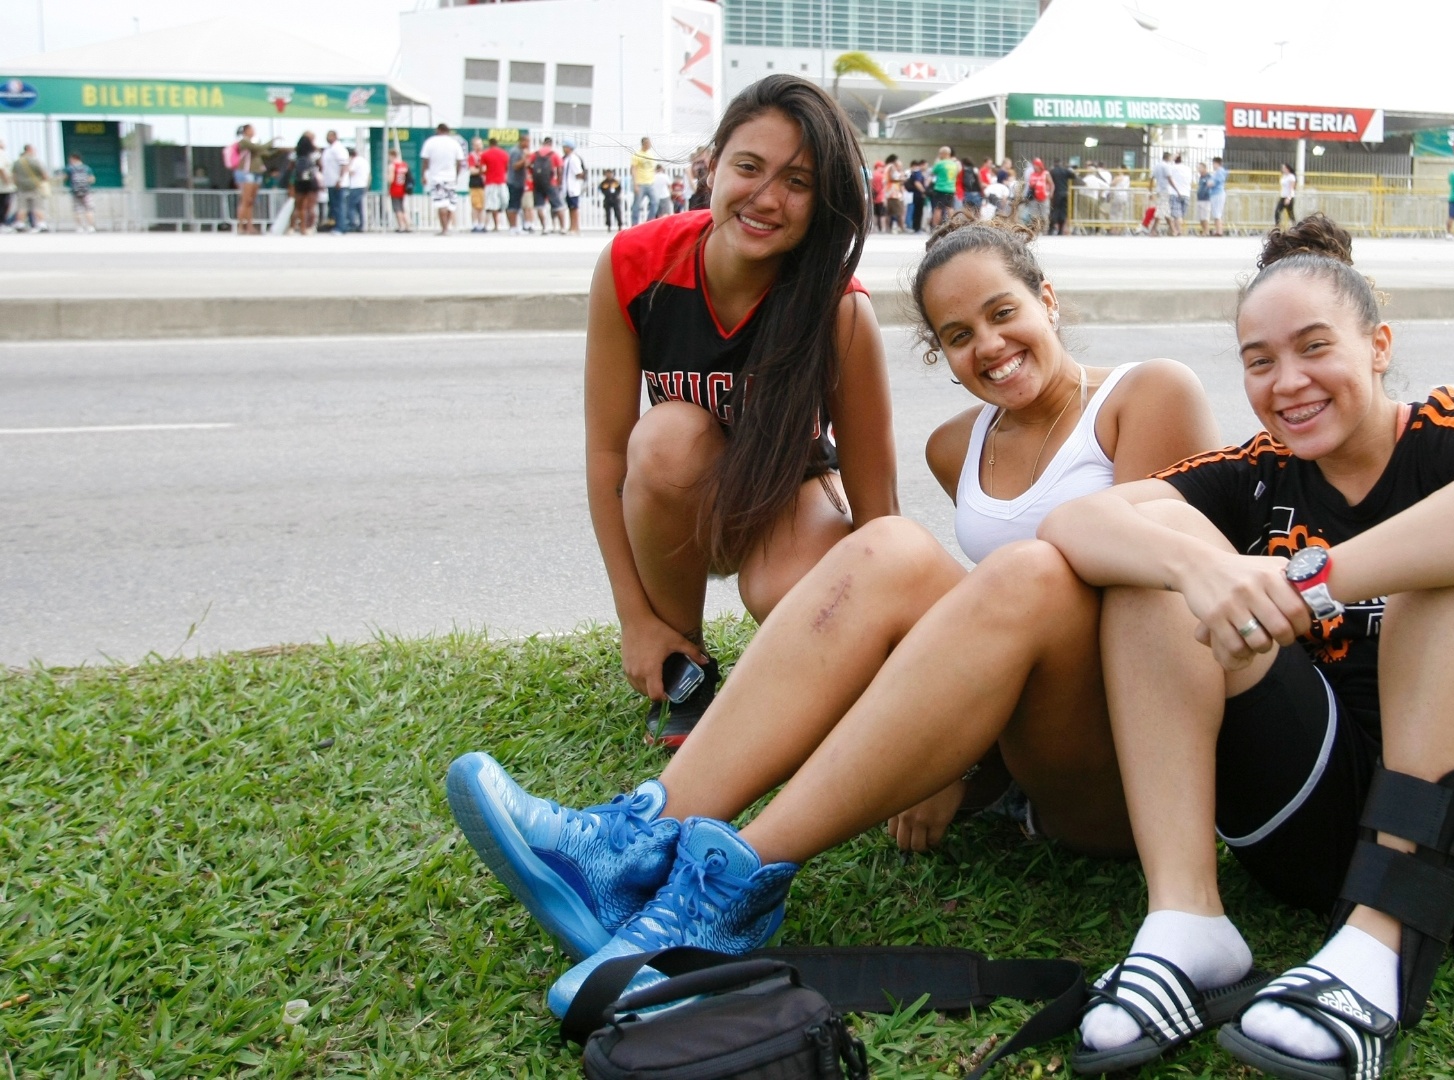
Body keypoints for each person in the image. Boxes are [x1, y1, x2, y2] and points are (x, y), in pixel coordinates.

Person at [443, 211, 1221, 1019]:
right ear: (941, 358)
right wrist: (951, 753)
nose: (988, 346)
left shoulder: (1148, 393)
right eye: (958, 335)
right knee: (889, 546)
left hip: (1128, 764)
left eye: (1001, 312)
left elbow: (1153, 606)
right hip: (1026, 740)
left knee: (1032, 570)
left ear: (1047, 299)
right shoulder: (959, 444)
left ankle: (732, 891)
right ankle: (634, 840)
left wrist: (949, 755)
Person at [1043, 214, 1454, 1077]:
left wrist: (1307, 581)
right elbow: (1076, 520)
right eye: (1259, 360)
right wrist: (1197, 562)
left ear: (1378, 346)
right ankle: (1188, 925)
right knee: (1153, 579)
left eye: (1314, 347)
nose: (1286, 382)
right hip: (1327, 839)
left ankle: (1382, 945)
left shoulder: (1450, 430)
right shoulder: (1256, 470)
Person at [572, 74, 898, 750]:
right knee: (666, 436)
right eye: (749, 167)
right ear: (713, 162)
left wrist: (889, 654)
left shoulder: (838, 307)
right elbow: (608, 456)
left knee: (785, 590)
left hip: (791, 492)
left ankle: (820, 664)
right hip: (678, 499)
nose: (766, 197)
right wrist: (634, 619)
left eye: (799, 183)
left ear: (823, 203)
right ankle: (683, 662)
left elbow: (879, 512)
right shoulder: (635, 266)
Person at [419, 124, 464, 236]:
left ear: (438, 130)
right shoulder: (454, 143)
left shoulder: (430, 142)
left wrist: (424, 175)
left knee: (440, 203)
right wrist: (456, 176)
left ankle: (444, 228)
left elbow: (425, 161)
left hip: (436, 177)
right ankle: (446, 227)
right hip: (450, 177)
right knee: (450, 203)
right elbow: (459, 162)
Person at [228, 124, 273, 235]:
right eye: (251, 129)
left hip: (256, 172)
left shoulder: (254, 142)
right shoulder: (244, 142)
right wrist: (272, 141)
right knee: (244, 200)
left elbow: (265, 153)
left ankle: (249, 226)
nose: (253, 131)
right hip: (246, 172)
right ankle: (240, 226)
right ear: (246, 131)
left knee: (250, 201)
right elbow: (259, 148)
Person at [287, 133, 323, 235]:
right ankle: (309, 227)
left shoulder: (295, 154)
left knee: (298, 206)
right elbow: (320, 166)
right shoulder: (314, 153)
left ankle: (294, 227)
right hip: (311, 181)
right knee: (311, 206)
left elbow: (290, 168)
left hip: (299, 181)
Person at [528, 137, 562, 233]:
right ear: (551, 144)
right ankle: (561, 227)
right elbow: (559, 169)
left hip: (538, 183)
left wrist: (532, 174)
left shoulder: (536, 153)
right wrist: (559, 182)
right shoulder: (554, 154)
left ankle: (544, 227)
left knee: (540, 206)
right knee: (557, 206)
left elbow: (527, 164)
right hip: (551, 183)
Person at [13, 145, 50, 233]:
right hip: (35, 187)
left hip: (22, 188)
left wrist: (18, 184)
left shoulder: (17, 162)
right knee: (37, 206)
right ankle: (41, 224)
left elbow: (14, 176)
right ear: (29, 150)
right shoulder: (35, 161)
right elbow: (44, 175)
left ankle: (20, 224)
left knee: (22, 207)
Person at [321, 130, 351, 233]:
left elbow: (344, 165)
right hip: (330, 182)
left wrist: (340, 179)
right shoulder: (329, 150)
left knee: (340, 205)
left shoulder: (339, 149)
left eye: (329, 136)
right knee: (334, 206)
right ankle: (335, 225)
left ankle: (341, 227)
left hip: (338, 183)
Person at [480, 137, 510, 232]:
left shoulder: (485, 154)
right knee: (505, 202)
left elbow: (482, 169)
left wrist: (484, 174)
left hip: (490, 182)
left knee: (492, 204)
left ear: (489, 144)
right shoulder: (504, 154)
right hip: (502, 181)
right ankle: (510, 225)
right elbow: (507, 168)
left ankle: (494, 225)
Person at [63, 153, 97, 233]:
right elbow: (92, 179)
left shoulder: (70, 168)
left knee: (77, 210)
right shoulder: (87, 168)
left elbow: (65, 178)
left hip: (75, 192)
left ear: (73, 159)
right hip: (86, 191)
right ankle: (91, 227)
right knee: (89, 209)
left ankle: (80, 227)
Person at [929, 145, 960, 229]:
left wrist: (937, 161)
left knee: (938, 209)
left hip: (940, 188)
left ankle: (935, 227)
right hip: (951, 188)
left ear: (943, 153)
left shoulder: (940, 163)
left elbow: (933, 172)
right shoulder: (954, 164)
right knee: (950, 208)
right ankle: (953, 226)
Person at [631, 136, 659, 224]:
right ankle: (634, 224)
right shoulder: (637, 154)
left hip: (650, 183)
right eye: (649, 143)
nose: (650, 145)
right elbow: (633, 169)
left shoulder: (650, 154)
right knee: (637, 205)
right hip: (640, 183)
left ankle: (649, 222)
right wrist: (635, 184)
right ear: (644, 144)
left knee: (655, 202)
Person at [340, 147, 369, 233]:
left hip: (356, 186)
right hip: (363, 185)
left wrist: (347, 164)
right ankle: (361, 225)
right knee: (359, 207)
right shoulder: (364, 160)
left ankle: (352, 223)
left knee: (350, 205)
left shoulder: (355, 161)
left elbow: (351, 172)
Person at [507, 134, 532, 232]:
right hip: (514, 182)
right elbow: (515, 166)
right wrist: (524, 159)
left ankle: (517, 226)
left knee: (517, 205)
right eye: (527, 142)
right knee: (513, 204)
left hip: (520, 182)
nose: (528, 144)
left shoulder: (522, 151)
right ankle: (513, 227)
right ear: (522, 141)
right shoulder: (516, 152)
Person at [563, 140, 588, 234]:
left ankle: (575, 227)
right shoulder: (567, 158)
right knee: (570, 208)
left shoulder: (574, 159)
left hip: (573, 187)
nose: (564, 149)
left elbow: (579, 173)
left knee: (574, 208)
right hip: (568, 188)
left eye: (565, 147)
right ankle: (571, 226)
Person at [1167, 152, 1193, 236]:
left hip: (1175, 193)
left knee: (1176, 215)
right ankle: (1178, 230)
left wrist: (1171, 159)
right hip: (1186, 193)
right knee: (1181, 214)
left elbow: (1166, 170)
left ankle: (1178, 231)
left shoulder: (1172, 167)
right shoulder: (1188, 169)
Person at [387, 152, 413, 233]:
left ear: (392, 156)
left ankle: (401, 226)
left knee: (397, 208)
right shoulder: (404, 165)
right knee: (403, 208)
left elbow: (391, 179)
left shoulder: (392, 166)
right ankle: (408, 225)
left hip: (395, 189)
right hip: (403, 189)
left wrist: (387, 178)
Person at [1048, 158, 1075, 236]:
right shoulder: (1065, 170)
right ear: (1061, 163)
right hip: (1065, 193)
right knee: (1063, 211)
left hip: (1056, 194)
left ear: (1054, 163)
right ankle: (1060, 229)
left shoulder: (1052, 171)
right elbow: (1073, 176)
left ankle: (1052, 229)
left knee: (1055, 211)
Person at [1204, 156, 1229, 236]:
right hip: (1215, 193)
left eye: (1213, 164)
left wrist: (1209, 183)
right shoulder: (1217, 172)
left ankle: (1219, 231)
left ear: (1216, 163)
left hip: (1218, 193)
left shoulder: (1220, 171)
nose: (1213, 166)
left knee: (1217, 212)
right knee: (1216, 212)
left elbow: (1214, 182)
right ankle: (1218, 230)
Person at [466, 142, 488, 232]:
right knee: (475, 205)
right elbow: (472, 170)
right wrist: (481, 171)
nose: (478, 146)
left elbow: (487, 168)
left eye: (480, 144)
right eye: (476, 145)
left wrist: (482, 170)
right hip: (475, 183)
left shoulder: (485, 155)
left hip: (484, 183)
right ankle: (475, 224)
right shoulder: (472, 156)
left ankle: (482, 224)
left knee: (483, 205)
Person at [885, 153, 906, 233]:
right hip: (894, 194)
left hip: (890, 193)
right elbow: (892, 178)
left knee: (890, 213)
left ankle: (888, 229)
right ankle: (902, 228)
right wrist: (902, 178)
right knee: (899, 212)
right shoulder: (891, 167)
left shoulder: (887, 167)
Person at [1275, 162, 1298, 226]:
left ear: (1287, 169)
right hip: (1283, 196)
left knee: (1290, 214)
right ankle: (1277, 227)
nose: (1282, 169)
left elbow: (1292, 188)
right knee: (1277, 212)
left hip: (1289, 197)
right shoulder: (1284, 176)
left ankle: (1295, 226)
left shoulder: (1291, 177)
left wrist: (1289, 198)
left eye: (1284, 168)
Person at [0, 140, 15, 232]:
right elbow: (1, 168)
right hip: (3, 187)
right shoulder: (1, 154)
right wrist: (7, 181)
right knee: (4, 205)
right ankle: (2, 223)